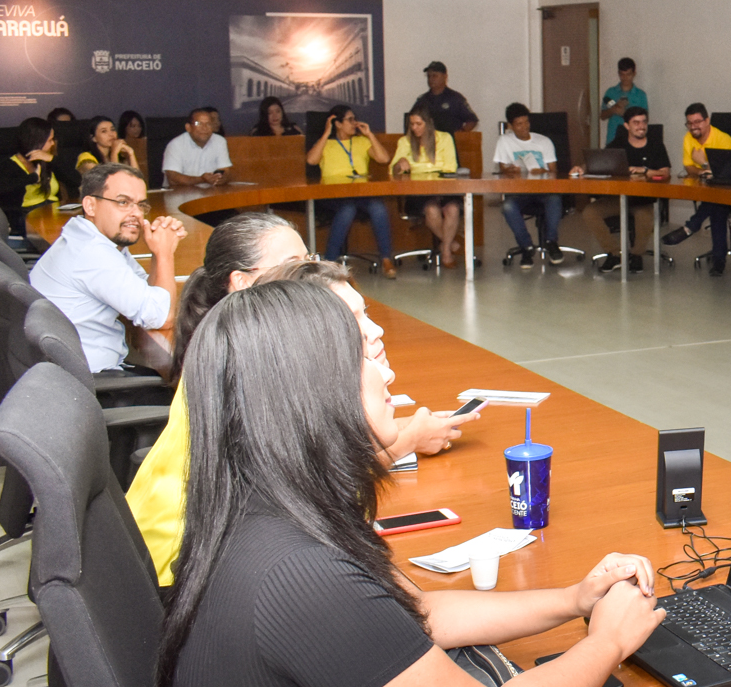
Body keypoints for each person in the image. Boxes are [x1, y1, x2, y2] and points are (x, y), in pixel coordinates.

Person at [158, 280, 660, 687]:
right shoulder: (302, 577)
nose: (381, 349)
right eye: (362, 347)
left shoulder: (272, 509)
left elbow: (423, 614)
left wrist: (574, 598)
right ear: (314, 389)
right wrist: (608, 641)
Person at [129, 225, 480, 585]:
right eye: (293, 263)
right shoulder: (245, 369)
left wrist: (401, 429)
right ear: (243, 283)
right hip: (179, 570)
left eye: (309, 259)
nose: (309, 271)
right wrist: (405, 441)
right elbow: (312, 492)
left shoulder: (240, 345)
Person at [29, 162, 186, 375]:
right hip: (87, 383)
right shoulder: (92, 253)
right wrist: (165, 252)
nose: (136, 214)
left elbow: (148, 293)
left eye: (141, 205)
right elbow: (163, 317)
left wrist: (158, 252)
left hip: (68, 375)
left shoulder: (92, 239)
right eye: (123, 202)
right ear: (90, 205)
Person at [572, 106, 668, 273]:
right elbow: (597, 161)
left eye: (644, 122)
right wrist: (581, 168)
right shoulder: (618, 144)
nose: (641, 126)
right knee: (590, 212)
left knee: (644, 217)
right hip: (619, 198)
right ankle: (615, 254)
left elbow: (665, 173)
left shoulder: (656, 145)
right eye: (636, 123)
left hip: (644, 199)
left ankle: (636, 255)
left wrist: (645, 171)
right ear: (627, 126)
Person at [307, 104, 396, 277]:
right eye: (350, 120)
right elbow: (311, 160)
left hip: (361, 193)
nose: (355, 123)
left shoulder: (362, 141)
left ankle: (386, 259)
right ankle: (330, 263)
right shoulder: (327, 144)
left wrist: (369, 134)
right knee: (347, 209)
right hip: (333, 195)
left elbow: (384, 158)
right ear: (338, 124)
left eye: (355, 119)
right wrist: (326, 133)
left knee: (378, 208)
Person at [661, 103, 731, 275]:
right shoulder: (688, 138)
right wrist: (705, 172)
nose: (693, 126)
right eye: (690, 123)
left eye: (697, 122)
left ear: (707, 120)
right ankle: (718, 259)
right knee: (716, 206)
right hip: (709, 189)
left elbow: (730, 172)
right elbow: (689, 168)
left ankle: (691, 227)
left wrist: (703, 163)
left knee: (717, 204)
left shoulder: (722, 139)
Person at [390, 102, 463, 267]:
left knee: (452, 209)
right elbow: (393, 170)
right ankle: (449, 247)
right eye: (412, 124)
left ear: (428, 123)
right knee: (431, 210)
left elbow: (450, 167)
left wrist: (415, 167)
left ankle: (445, 248)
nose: (415, 128)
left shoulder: (444, 139)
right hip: (418, 193)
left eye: (419, 124)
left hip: (445, 190)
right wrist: (399, 165)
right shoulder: (405, 141)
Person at [495, 102, 566, 267]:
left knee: (554, 199)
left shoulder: (543, 141)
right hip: (520, 193)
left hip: (544, 191)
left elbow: (554, 171)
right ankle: (526, 246)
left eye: (526, 122)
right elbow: (502, 168)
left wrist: (543, 170)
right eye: (519, 124)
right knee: (507, 207)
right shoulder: (504, 141)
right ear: (511, 126)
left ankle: (551, 242)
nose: (524, 127)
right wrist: (510, 170)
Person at [0, 117, 60, 231]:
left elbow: (74, 178)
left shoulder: (46, 160)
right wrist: (32, 178)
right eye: (49, 140)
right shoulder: (9, 166)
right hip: (28, 217)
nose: (53, 144)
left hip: (53, 211)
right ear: (37, 141)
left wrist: (51, 159)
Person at [162, 106, 232, 188]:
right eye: (198, 123)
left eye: (208, 124)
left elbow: (225, 170)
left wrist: (221, 178)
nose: (204, 128)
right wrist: (201, 179)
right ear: (188, 127)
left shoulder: (219, 141)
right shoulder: (175, 145)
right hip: (180, 194)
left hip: (209, 192)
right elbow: (173, 178)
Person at [412, 60, 478, 132]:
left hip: (450, 141)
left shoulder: (455, 98)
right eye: (429, 76)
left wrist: (461, 134)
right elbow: (411, 120)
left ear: (445, 77)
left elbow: (472, 120)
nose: (431, 79)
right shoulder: (422, 100)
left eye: (435, 76)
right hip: (428, 142)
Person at [597, 56, 647, 142]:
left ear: (634, 74)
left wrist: (626, 113)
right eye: (622, 74)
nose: (625, 78)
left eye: (628, 74)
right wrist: (613, 109)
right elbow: (602, 116)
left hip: (633, 140)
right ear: (618, 74)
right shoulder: (611, 92)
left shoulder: (640, 95)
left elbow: (645, 119)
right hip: (613, 139)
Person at [74, 114, 141, 176]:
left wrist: (131, 154)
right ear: (94, 138)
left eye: (112, 130)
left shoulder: (120, 155)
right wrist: (114, 153)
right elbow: (111, 181)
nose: (111, 134)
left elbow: (137, 179)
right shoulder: (85, 158)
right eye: (104, 131)